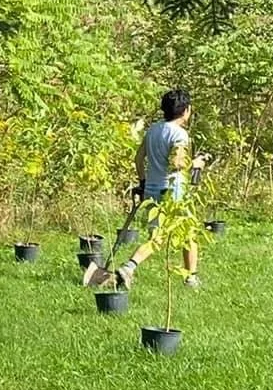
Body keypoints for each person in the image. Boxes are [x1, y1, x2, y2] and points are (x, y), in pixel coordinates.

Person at [85, 86, 208, 291]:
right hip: (172, 192)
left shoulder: (153, 130)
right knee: (165, 237)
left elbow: (138, 158)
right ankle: (129, 267)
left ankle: (190, 277)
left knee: (184, 233)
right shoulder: (180, 134)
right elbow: (177, 163)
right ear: (186, 110)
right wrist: (195, 163)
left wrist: (143, 183)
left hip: (152, 189)